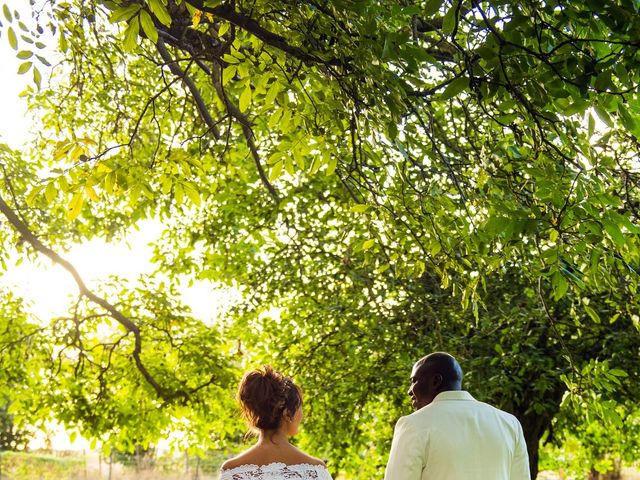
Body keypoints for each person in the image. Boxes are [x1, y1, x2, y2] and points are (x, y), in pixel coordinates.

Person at [384, 352, 531, 480]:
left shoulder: (414, 424)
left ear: (436, 381)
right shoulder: (509, 423)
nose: (410, 391)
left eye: (414, 381)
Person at [220, 366, 332, 480]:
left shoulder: (232, 471)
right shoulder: (316, 471)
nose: (302, 415)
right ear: (287, 413)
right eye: (300, 407)